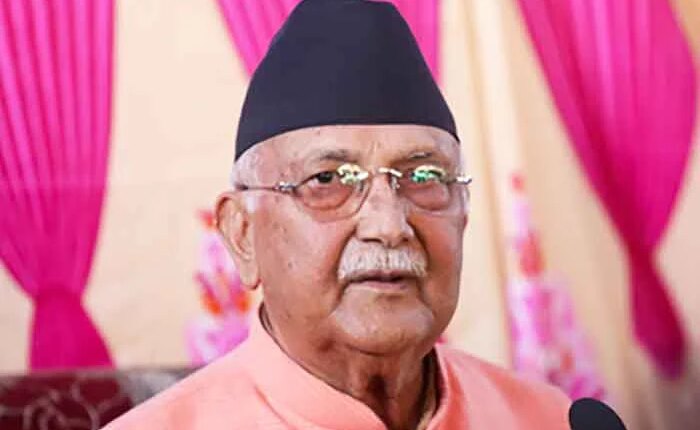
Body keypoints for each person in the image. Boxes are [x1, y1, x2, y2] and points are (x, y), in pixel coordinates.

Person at [104, 0, 570, 428]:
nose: (389, 226)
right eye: (328, 180)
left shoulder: (549, 419)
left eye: (424, 177)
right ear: (242, 234)